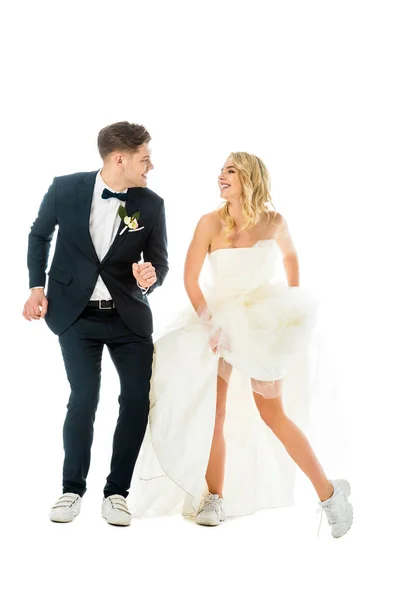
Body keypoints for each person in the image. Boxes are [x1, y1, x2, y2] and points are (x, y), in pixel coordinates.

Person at [131, 152, 352, 539]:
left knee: (273, 414)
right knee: (215, 413)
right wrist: (210, 323)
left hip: (263, 322)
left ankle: (331, 495)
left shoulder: (275, 222)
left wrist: (289, 312)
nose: (221, 176)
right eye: (221, 170)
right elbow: (190, 278)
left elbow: (292, 258)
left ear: (250, 177)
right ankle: (214, 497)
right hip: (220, 320)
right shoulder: (210, 223)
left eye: (230, 170)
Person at [23, 121, 168, 526]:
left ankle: (116, 493)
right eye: (145, 159)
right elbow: (39, 235)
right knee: (84, 397)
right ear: (119, 159)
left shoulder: (151, 204)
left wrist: (151, 277)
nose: (151, 166)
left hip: (128, 319)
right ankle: (71, 490)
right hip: (74, 315)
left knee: (136, 401)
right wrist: (36, 287)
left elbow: (160, 260)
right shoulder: (64, 188)